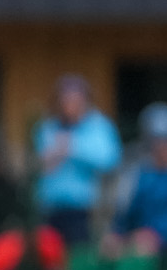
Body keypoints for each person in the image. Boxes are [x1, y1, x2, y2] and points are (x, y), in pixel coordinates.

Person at [102, 102, 167, 260]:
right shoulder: (146, 174)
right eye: (153, 141)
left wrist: (157, 234)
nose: (158, 147)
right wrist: (117, 234)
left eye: (164, 141)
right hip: (141, 242)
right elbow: (130, 213)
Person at [32, 75, 122, 246]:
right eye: (65, 100)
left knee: (80, 254)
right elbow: (38, 163)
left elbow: (110, 160)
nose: (69, 106)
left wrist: (73, 148)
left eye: (74, 100)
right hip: (50, 208)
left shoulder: (99, 127)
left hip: (86, 210)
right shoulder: (47, 127)